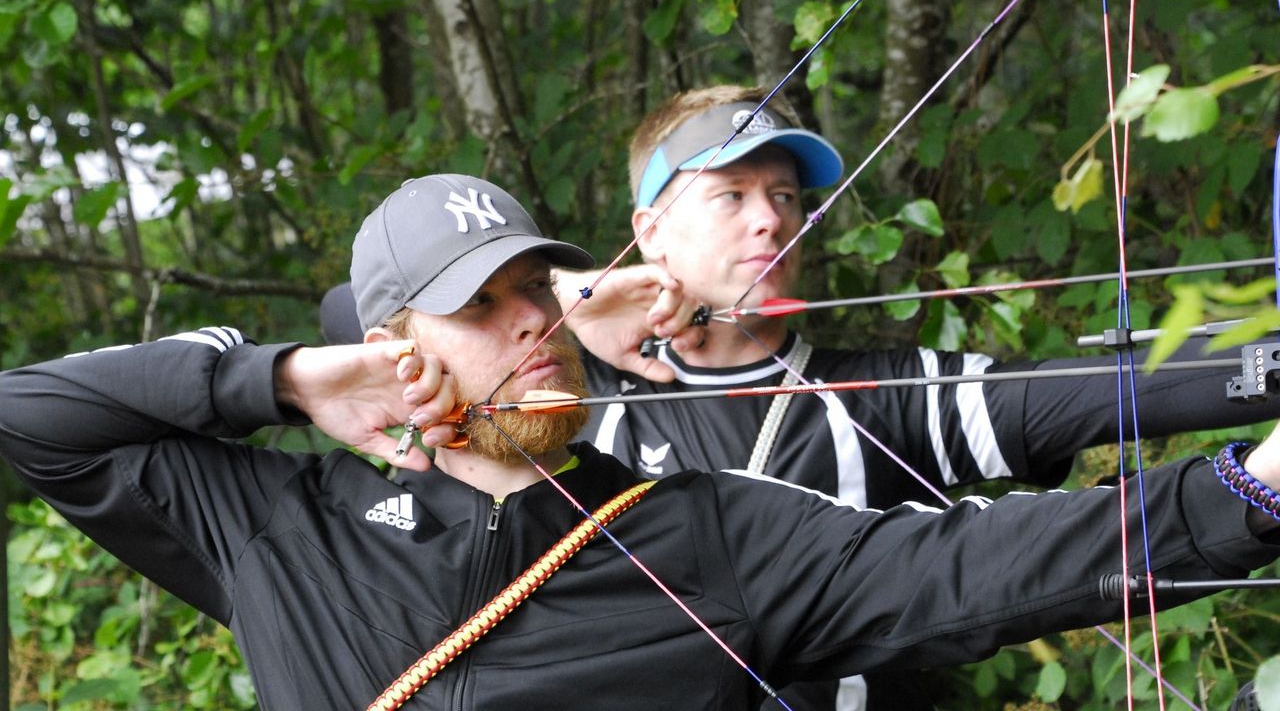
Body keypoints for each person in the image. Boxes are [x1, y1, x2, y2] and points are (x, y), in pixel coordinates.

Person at [3, 173, 1280, 711]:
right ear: (394, 345)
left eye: (541, 294)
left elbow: (980, 567)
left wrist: (1255, 486)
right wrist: (283, 382)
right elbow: (32, 417)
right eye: (483, 307)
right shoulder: (279, 528)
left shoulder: (699, 531)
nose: (534, 329)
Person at [319, 88, 1280, 709]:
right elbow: (360, 328)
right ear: (649, 230)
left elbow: (1086, 396)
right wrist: (579, 300)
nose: (771, 217)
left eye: (783, 194)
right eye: (730, 195)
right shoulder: (559, 398)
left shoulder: (874, 389)